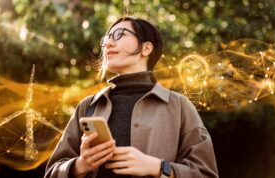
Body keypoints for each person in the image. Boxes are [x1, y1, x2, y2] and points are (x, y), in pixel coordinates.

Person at [44, 16, 218, 178]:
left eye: (119, 34)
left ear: (146, 48)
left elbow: (205, 172)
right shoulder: (88, 105)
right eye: (106, 39)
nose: (108, 44)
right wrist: (80, 165)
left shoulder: (179, 106)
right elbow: (52, 171)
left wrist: (158, 167)